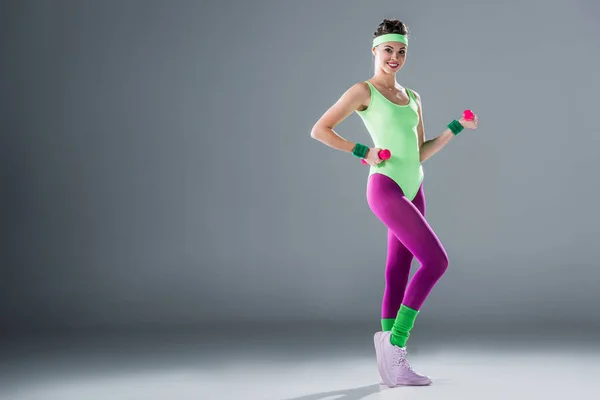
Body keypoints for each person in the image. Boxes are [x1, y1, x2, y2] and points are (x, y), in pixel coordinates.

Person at [310, 18, 478, 387]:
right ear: (375, 51)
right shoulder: (363, 91)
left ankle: (391, 367)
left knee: (398, 271)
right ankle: (396, 344)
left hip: (414, 187)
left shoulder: (414, 97)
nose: (395, 57)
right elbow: (320, 129)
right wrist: (361, 151)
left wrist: (455, 127)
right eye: (388, 50)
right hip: (385, 186)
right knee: (436, 261)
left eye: (401, 51)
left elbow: (419, 152)